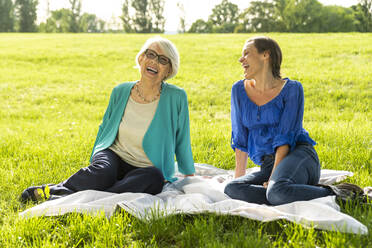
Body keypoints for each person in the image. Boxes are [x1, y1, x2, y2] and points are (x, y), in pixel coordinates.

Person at [21, 36, 195, 203]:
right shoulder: (120, 91)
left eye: (163, 60)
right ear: (141, 58)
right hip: (114, 154)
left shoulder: (176, 97)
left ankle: (82, 194)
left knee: (154, 179)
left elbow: (182, 138)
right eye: (150, 55)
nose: (154, 62)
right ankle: (54, 190)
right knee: (103, 173)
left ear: (169, 70)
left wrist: (188, 173)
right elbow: (105, 128)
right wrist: (95, 164)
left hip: (146, 166)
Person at [224, 36, 363, 205]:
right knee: (232, 188)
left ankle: (342, 193)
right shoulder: (238, 90)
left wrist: (274, 178)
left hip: (298, 156)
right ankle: (290, 191)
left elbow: (285, 138)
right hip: (267, 164)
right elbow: (240, 138)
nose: (241, 59)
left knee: (275, 192)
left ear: (265, 55)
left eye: (246, 54)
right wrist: (240, 179)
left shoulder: (292, 89)